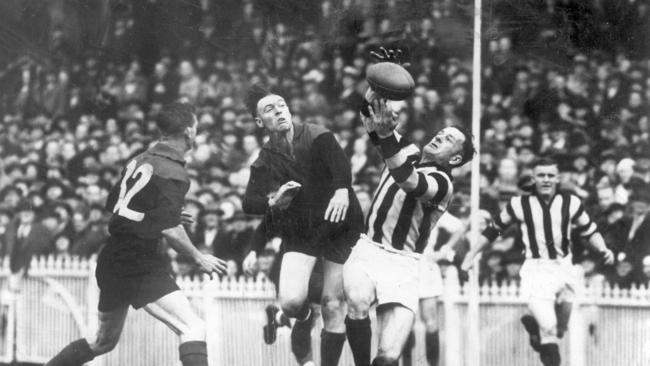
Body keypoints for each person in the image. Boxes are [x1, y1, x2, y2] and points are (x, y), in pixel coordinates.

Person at [44, 102, 228, 366]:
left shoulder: (139, 159)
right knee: (194, 327)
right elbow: (172, 232)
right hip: (137, 261)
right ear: (188, 132)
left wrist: (165, 215)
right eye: (196, 128)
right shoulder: (173, 171)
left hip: (111, 258)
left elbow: (117, 205)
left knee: (102, 342)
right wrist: (199, 257)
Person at [343, 89, 475, 366]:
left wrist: (387, 135)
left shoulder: (443, 184)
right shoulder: (410, 151)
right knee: (357, 303)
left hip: (403, 263)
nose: (440, 135)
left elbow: (408, 180)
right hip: (368, 249)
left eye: (449, 139)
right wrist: (375, 90)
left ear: (454, 159)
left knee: (389, 356)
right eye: (442, 132)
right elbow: (370, 120)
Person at [242, 84, 364, 366]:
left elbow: (340, 165)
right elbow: (249, 203)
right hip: (303, 230)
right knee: (292, 303)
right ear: (260, 122)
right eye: (269, 110)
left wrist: (342, 190)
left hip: (339, 225)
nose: (279, 111)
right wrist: (273, 202)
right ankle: (303, 317)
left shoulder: (316, 134)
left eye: (281, 105)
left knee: (333, 304)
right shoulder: (265, 159)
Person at [461, 157, 615, 366]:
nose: (546, 179)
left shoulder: (570, 203)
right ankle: (541, 334)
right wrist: (471, 254)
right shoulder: (519, 204)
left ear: (558, 178)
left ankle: (535, 330)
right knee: (550, 329)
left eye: (550, 175)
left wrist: (603, 248)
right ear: (533, 179)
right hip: (537, 269)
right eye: (541, 175)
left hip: (564, 267)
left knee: (560, 329)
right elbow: (493, 229)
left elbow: (590, 230)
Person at [402, 212, 466, 366]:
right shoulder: (398, 203)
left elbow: (459, 228)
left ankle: (433, 364)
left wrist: (443, 252)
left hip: (425, 265)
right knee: (404, 321)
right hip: (401, 263)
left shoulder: (432, 207)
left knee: (430, 320)